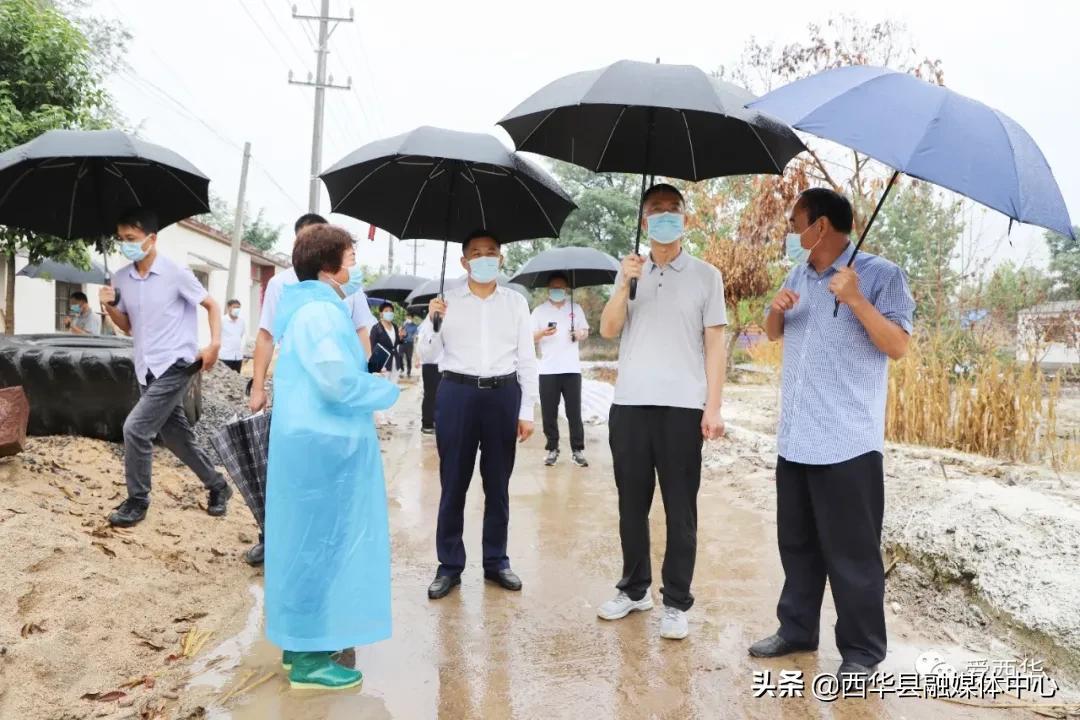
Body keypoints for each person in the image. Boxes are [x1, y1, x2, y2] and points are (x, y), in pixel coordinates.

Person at [748, 188, 915, 680]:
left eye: (795, 220)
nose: (789, 230)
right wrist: (775, 310)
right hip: (796, 438)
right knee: (797, 547)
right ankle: (796, 629)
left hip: (847, 443)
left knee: (852, 555)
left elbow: (898, 345)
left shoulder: (882, 275)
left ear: (820, 226)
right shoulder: (798, 273)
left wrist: (857, 298)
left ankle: (862, 651)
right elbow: (774, 333)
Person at [264, 223, 400, 691]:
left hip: (312, 447)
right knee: (321, 548)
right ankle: (309, 659)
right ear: (328, 268)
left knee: (304, 544)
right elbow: (336, 380)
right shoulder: (320, 315)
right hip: (323, 452)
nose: (355, 269)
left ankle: (297, 643)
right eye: (351, 260)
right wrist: (383, 391)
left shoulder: (307, 310)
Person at [596, 184, 727, 641]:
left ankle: (676, 600)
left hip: (682, 407)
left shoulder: (707, 276)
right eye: (656, 211)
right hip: (630, 403)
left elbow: (714, 343)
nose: (665, 217)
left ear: (685, 220)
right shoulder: (629, 270)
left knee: (680, 508)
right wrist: (625, 280)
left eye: (673, 210)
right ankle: (635, 590)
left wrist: (713, 406)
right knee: (631, 506)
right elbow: (609, 329)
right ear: (644, 221)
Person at [244, 213, 376, 566]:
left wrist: (359, 377)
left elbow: (362, 331)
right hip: (302, 391)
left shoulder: (348, 288)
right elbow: (267, 336)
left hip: (338, 391)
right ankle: (278, 538)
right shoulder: (284, 287)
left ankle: (325, 544)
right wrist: (258, 386)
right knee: (294, 469)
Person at [420, 229, 538, 600]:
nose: (485, 258)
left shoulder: (516, 303)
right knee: (453, 481)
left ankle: (496, 561)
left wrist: (527, 408)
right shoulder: (447, 302)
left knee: (498, 484)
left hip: (503, 394)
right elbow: (426, 354)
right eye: (476, 252)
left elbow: (527, 358)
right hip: (457, 393)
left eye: (491, 252)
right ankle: (449, 565)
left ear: (501, 259)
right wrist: (432, 320)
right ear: (464, 261)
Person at [99, 207, 232, 527]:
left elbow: (211, 305)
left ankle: (138, 500)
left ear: (152, 238)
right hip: (146, 367)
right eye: (121, 239)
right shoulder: (120, 279)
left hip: (177, 364)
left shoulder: (176, 272)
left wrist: (214, 344)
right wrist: (109, 305)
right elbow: (129, 327)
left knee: (135, 428)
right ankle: (218, 485)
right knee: (177, 438)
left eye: (131, 238)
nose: (125, 244)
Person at [531, 273, 590, 468]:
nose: (558, 291)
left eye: (561, 288)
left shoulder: (575, 308)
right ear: (549, 290)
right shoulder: (539, 311)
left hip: (572, 369)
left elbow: (585, 331)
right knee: (549, 412)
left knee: (574, 411)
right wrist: (542, 333)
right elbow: (530, 336)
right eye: (554, 288)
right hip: (548, 370)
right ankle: (552, 448)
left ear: (566, 289)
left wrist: (579, 334)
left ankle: (577, 449)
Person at [416, 313, 441, 435]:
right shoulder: (427, 326)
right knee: (430, 395)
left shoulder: (436, 322)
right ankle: (427, 423)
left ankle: (434, 420)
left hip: (438, 364)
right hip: (431, 365)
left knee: (437, 395)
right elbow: (423, 347)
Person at [368, 302, 400, 375]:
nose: (389, 313)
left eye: (391, 311)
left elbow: (396, 343)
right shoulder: (376, 328)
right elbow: (372, 347)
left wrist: (402, 337)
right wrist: (375, 365)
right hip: (382, 363)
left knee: (394, 385)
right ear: (381, 314)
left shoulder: (395, 327)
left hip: (395, 362)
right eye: (386, 311)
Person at [220, 299, 245, 373]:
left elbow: (241, 335)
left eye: (238, 307)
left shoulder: (241, 321)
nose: (236, 309)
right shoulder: (222, 320)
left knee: (236, 379)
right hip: (225, 356)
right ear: (229, 308)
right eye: (234, 307)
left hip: (238, 357)